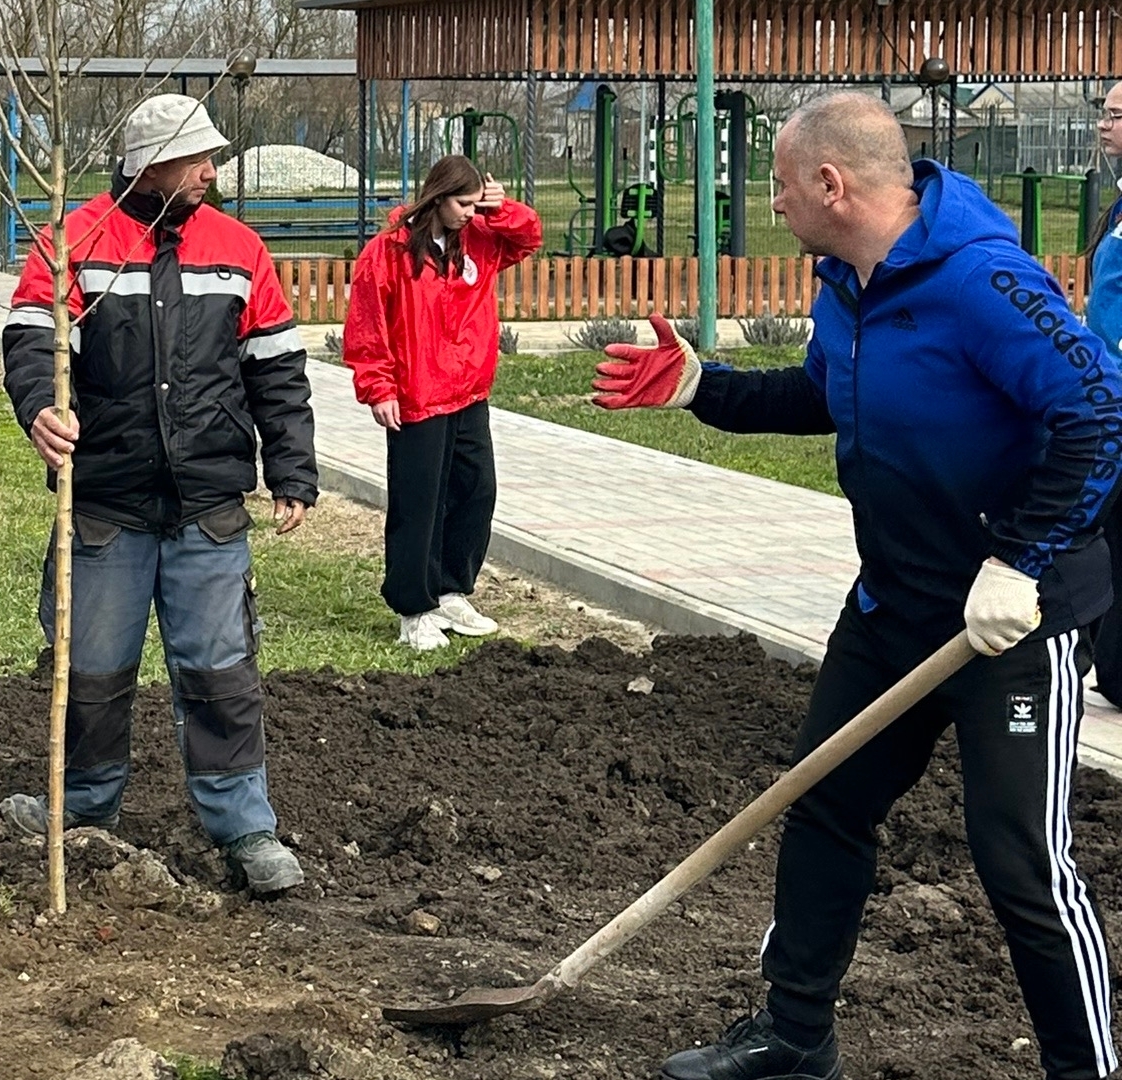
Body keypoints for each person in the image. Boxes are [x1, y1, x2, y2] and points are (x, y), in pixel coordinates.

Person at [594, 92, 1119, 1080]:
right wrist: (705, 386)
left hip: (1010, 627)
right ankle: (794, 1037)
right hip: (893, 609)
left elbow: (1101, 411)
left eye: (782, 184)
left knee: (1023, 868)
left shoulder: (982, 282)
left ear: (832, 183)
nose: (774, 202)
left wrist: (1019, 561)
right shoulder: (846, 283)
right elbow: (822, 394)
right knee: (827, 807)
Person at [0, 93, 318, 895]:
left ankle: (246, 828)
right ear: (147, 165)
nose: (212, 170)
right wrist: (40, 407)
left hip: (207, 502)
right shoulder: (76, 240)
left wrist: (293, 471)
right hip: (106, 499)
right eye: (197, 159)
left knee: (221, 674)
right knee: (93, 671)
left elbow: (276, 370)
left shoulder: (240, 250)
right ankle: (80, 811)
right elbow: (34, 338)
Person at [342, 153, 542, 650]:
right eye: (463, 203)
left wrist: (502, 208)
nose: (469, 213)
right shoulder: (387, 252)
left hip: (468, 392)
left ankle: (451, 587)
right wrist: (378, 386)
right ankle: (414, 605)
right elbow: (367, 325)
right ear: (437, 197)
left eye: (477, 204)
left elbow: (528, 237)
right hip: (416, 394)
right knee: (418, 503)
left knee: (477, 490)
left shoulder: (480, 239)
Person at [1081, 81, 1122, 709]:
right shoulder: (1115, 211)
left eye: (1118, 117)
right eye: (1105, 114)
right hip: (1103, 404)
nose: (1105, 127)